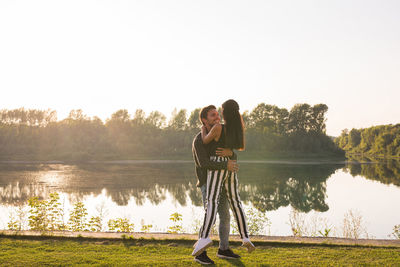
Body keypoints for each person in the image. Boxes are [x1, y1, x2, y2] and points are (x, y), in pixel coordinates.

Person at [192, 99, 255, 258]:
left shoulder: (220, 129)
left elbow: (230, 151)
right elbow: (204, 163)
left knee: (223, 213)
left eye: (218, 114)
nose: (217, 117)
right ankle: (202, 251)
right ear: (204, 120)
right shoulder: (199, 139)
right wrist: (227, 164)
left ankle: (223, 249)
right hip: (208, 180)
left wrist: (231, 155)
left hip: (222, 175)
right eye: (213, 115)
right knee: (217, 210)